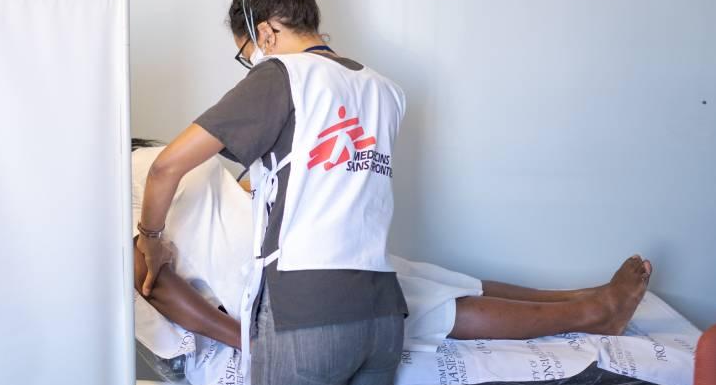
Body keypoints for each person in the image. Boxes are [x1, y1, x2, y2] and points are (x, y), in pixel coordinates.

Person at [135, 0, 412, 385]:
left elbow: (166, 166)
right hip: (380, 316)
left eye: (246, 52)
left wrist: (152, 242)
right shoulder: (386, 92)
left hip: (306, 314)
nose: (250, 64)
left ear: (265, 34)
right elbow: (316, 174)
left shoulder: (281, 73)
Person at [131, 143, 652, 363]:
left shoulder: (138, 154)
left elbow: (227, 195)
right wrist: (249, 343)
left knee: (425, 274)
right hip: (270, 283)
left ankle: (579, 295)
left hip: (301, 245)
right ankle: (594, 314)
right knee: (420, 303)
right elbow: (153, 285)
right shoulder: (101, 206)